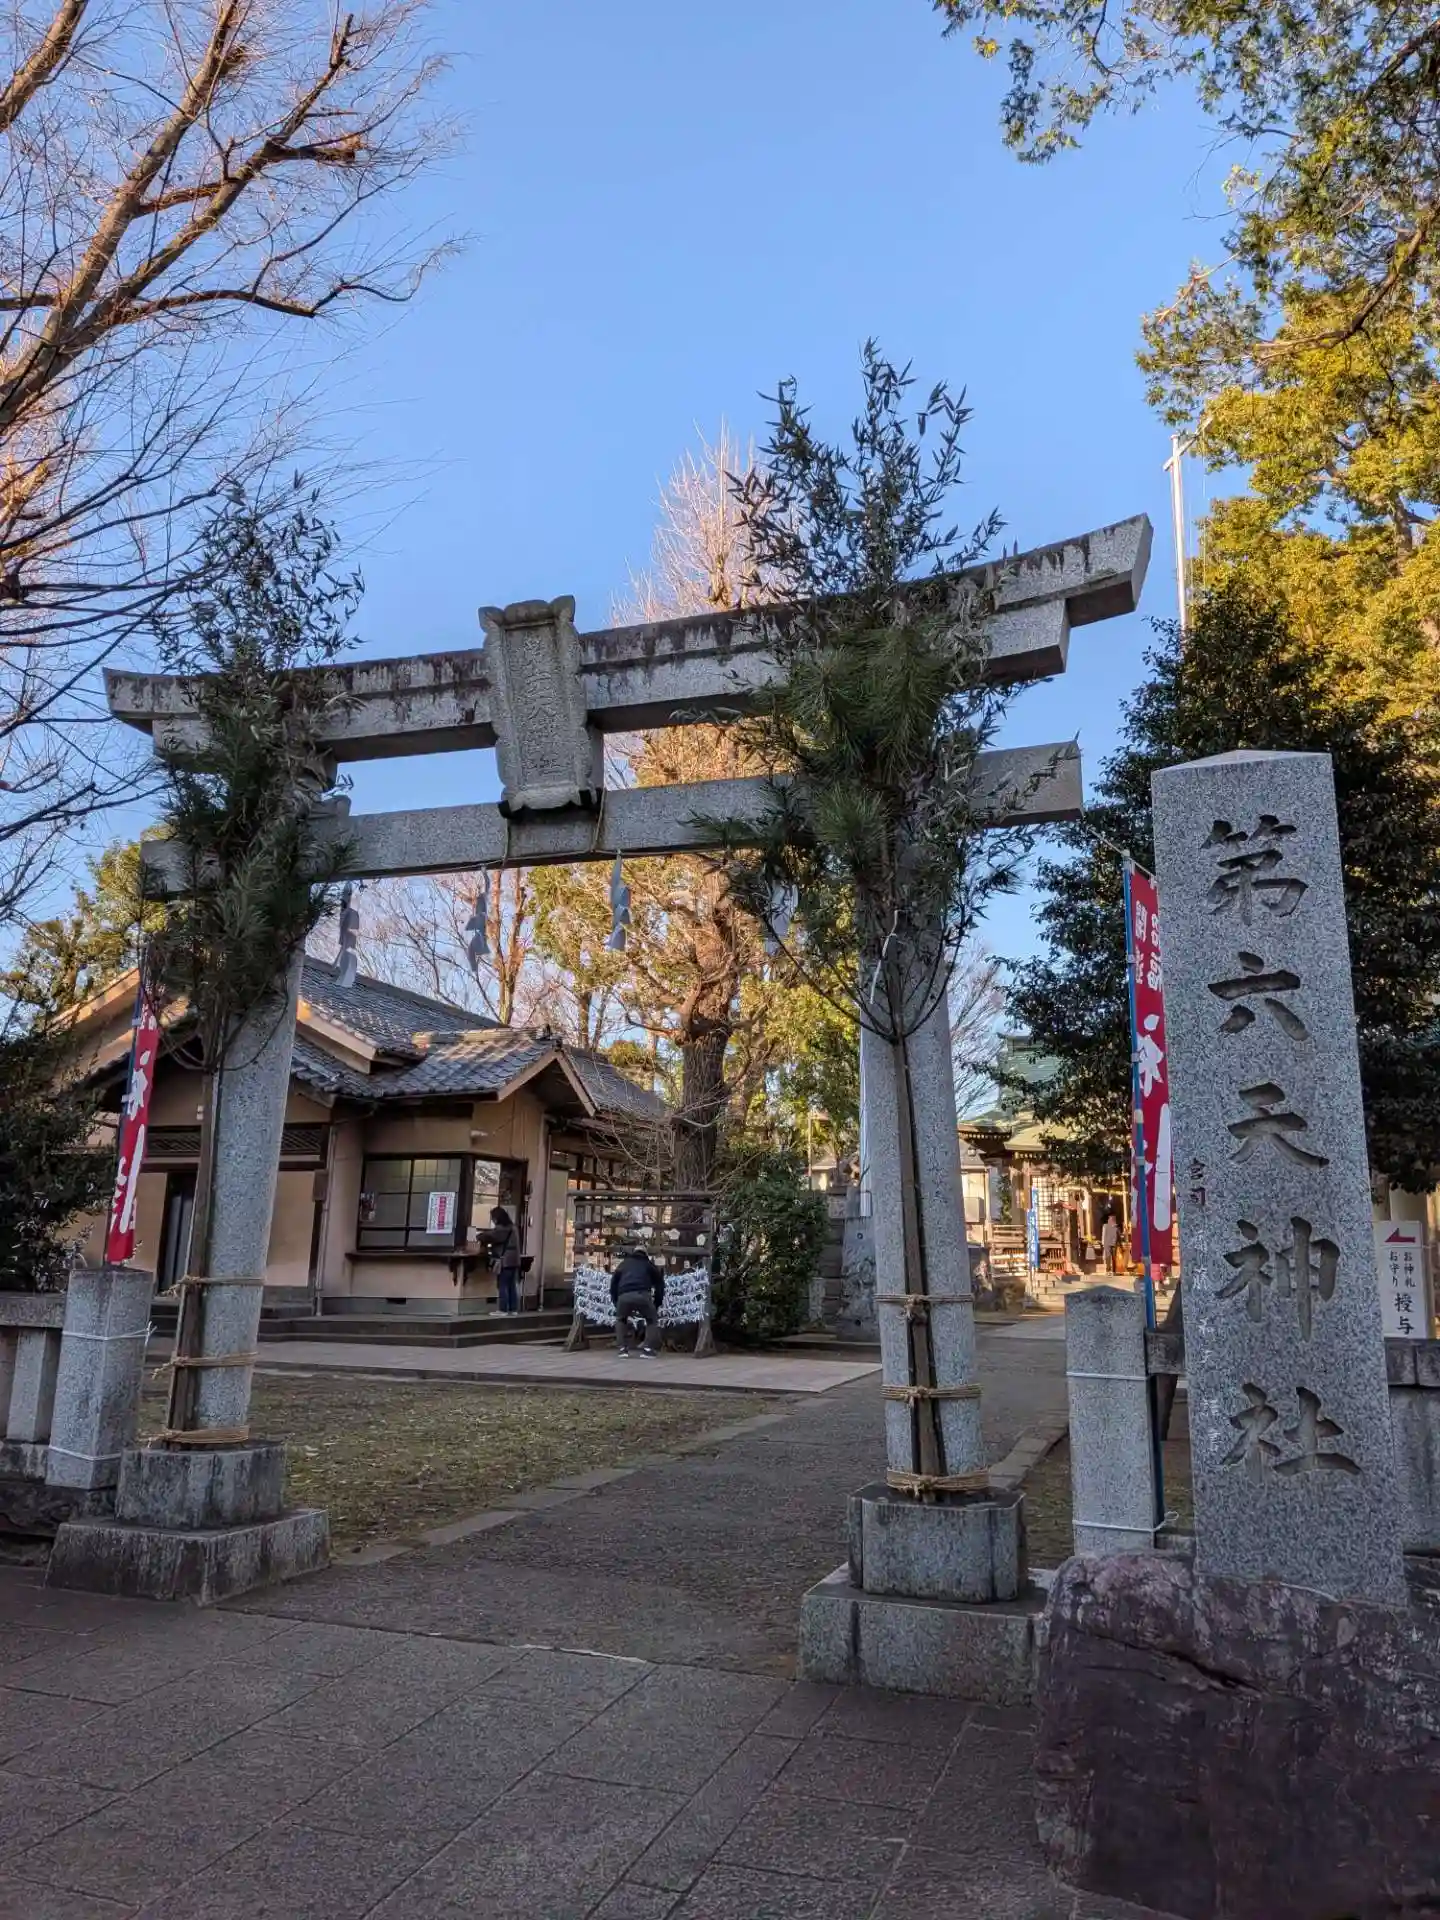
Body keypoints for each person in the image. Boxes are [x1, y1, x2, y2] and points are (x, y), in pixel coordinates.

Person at [610, 1245, 665, 1356]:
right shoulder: (648, 1264)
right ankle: (647, 1349)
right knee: (652, 1320)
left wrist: (616, 1301)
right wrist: (657, 1302)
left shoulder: (624, 1264)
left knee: (621, 1319)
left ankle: (622, 1349)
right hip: (642, 1294)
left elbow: (613, 1283)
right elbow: (660, 1284)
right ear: (645, 1254)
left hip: (624, 1295)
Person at [489, 1205, 522, 1314]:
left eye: (493, 1218)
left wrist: (478, 1237)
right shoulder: (513, 1228)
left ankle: (502, 1309)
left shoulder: (502, 1229)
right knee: (511, 1285)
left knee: (502, 1284)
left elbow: (491, 1236)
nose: (492, 1220)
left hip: (505, 1261)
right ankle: (513, 1309)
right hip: (515, 1260)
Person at [1100, 1209, 1120, 1275]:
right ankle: (1108, 1270)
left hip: (1114, 1244)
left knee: (1114, 1258)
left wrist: (1119, 1244)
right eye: (1111, 1218)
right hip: (1107, 1244)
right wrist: (1103, 1244)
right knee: (1107, 1257)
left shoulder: (1116, 1226)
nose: (1113, 1219)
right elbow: (1104, 1235)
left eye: (1114, 1218)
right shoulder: (1105, 1226)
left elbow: (1118, 1235)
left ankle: (1114, 1271)